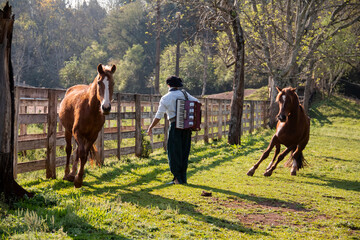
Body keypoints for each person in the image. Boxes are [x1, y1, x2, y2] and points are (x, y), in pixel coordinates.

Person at [147, 76, 199, 184]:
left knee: (173, 152)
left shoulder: (165, 98)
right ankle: (183, 178)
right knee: (184, 152)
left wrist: (151, 127)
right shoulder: (184, 94)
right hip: (186, 127)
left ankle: (177, 179)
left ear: (168, 85)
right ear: (178, 85)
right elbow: (197, 102)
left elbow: (159, 115)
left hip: (175, 126)